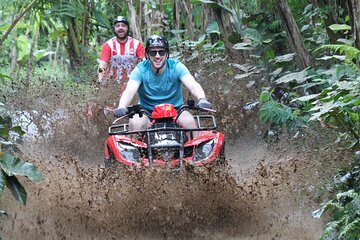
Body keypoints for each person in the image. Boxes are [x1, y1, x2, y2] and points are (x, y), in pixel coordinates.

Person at [113, 35, 212, 132]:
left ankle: (194, 148)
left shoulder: (176, 67)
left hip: (176, 111)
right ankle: (134, 147)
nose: (157, 56)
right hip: (147, 113)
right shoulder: (140, 69)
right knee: (135, 122)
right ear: (147, 54)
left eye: (161, 52)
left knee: (189, 122)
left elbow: (193, 85)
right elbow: (129, 90)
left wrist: (202, 99)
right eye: (153, 52)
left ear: (166, 54)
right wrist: (122, 106)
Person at [97, 16, 145, 94]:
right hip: (113, 84)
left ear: (128, 28)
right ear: (114, 29)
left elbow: (144, 63)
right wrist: (100, 79)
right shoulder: (108, 45)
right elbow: (102, 65)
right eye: (117, 26)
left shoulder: (137, 44)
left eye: (123, 25)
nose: (120, 28)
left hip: (133, 83)